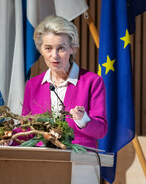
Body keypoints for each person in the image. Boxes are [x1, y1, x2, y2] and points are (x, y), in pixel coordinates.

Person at [20, 15, 107, 149]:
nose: (54, 55)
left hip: (80, 160)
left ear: (72, 48)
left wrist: (83, 119)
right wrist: (5, 139)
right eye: (48, 48)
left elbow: (101, 130)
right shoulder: (33, 85)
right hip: (41, 160)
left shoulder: (92, 81)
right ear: (40, 50)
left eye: (61, 48)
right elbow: (26, 131)